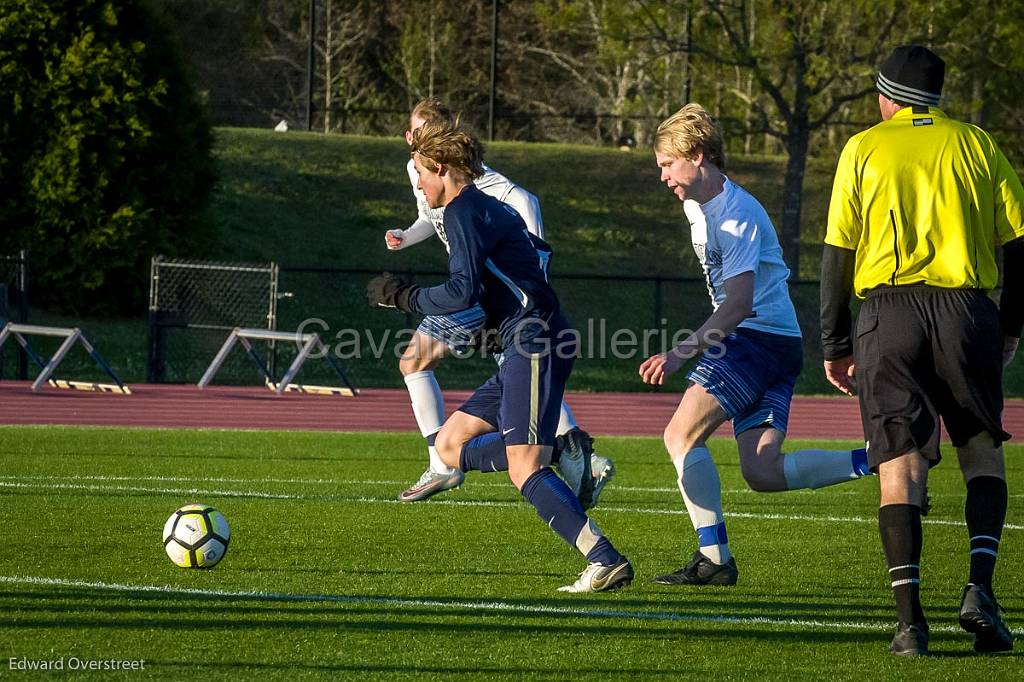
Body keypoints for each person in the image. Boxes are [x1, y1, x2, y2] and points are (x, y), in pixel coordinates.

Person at [367, 117, 633, 592]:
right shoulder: (483, 208)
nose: (419, 184)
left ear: (442, 167)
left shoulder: (463, 212)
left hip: (535, 342)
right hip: (522, 339)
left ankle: (603, 557)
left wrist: (402, 296)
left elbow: (462, 290)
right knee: (449, 446)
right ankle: (550, 448)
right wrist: (499, 321)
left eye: (421, 174)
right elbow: (524, 264)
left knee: (523, 467)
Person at [821, 45, 1023, 656]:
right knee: (980, 449)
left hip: (888, 313)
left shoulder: (863, 147)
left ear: (888, 97)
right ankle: (978, 591)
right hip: (966, 311)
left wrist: (835, 341)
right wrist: (1009, 325)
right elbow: (1018, 243)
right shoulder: (977, 145)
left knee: (899, 462)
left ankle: (910, 625)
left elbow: (839, 251)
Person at [638, 103, 873, 587]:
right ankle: (879, 458)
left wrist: (680, 352)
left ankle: (715, 559)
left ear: (697, 156)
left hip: (755, 338)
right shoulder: (694, 206)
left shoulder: (737, 213)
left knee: (679, 435)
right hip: (777, 342)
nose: (661, 175)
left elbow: (740, 303)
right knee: (763, 471)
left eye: (666, 163)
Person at [385, 98, 613, 507]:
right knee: (516, 378)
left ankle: (445, 462)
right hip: (477, 289)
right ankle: (576, 453)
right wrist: (406, 234)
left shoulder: (488, 189)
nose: (410, 139)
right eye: (411, 132)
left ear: (441, 145)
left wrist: (531, 282)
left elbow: (531, 229)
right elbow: (428, 217)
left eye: (419, 133)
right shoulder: (419, 169)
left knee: (428, 362)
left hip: (484, 294)